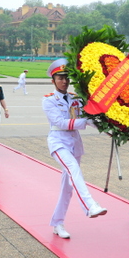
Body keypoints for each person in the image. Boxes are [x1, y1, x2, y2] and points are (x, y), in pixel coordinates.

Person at [42, 58, 107, 239]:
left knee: (67, 188)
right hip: (59, 142)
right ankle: (90, 205)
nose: (64, 81)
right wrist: (85, 121)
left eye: (66, 77)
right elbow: (60, 122)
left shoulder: (76, 99)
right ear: (53, 80)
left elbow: (90, 119)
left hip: (74, 144)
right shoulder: (49, 100)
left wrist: (110, 131)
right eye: (60, 77)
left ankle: (57, 223)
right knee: (73, 170)